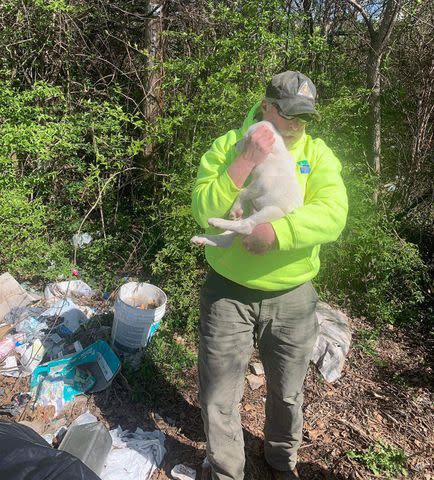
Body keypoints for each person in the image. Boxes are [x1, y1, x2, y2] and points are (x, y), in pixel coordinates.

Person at [191, 71, 348, 480]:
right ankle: (227, 471)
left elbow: (333, 215)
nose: (296, 125)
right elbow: (201, 206)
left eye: (304, 118)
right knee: (218, 395)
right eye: (289, 114)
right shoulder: (229, 144)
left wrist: (276, 233)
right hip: (227, 292)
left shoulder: (316, 154)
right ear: (266, 106)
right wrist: (245, 159)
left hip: (292, 295)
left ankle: (282, 463)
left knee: (288, 392)